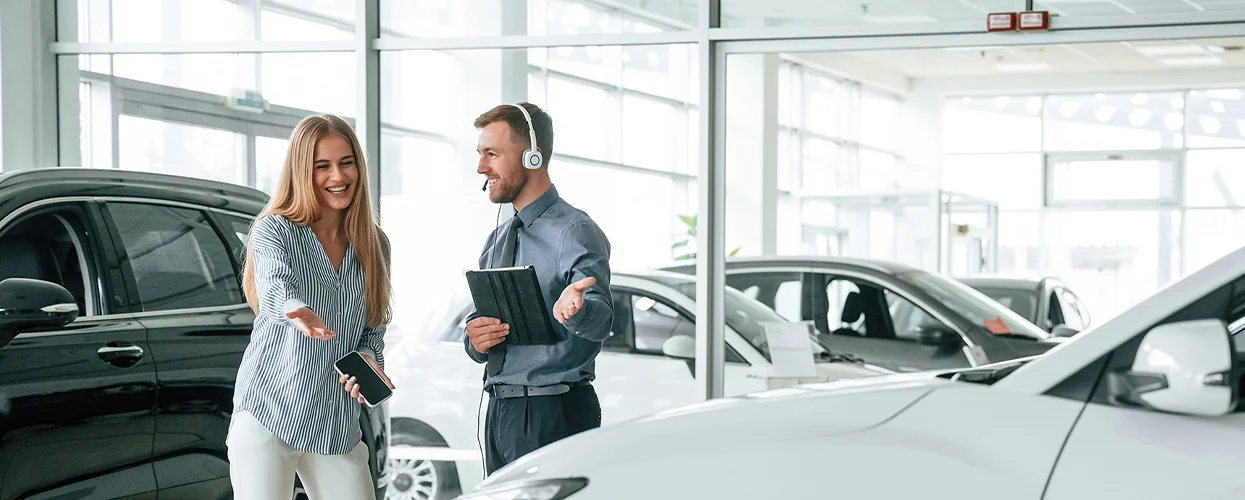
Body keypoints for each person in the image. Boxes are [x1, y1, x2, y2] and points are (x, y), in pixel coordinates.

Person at [231, 114, 395, 499]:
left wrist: (370, 359)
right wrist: (293, 309)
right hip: (269, 411)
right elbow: (272, 284)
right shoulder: (276, 228)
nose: (337, 176)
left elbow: (373, 326)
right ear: (303, 171)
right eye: (322, 166)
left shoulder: (375, 244)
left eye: (346, 162)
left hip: (335, 422)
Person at [465, 102, 613, 475]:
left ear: (533, 157)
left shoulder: (574, 231)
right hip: (502, 411)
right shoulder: (497, 238)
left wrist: (578, 310)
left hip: (552, 411)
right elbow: (479, 321)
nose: (481, 167)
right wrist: (474, 337)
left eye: (492, 154)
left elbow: (601, 318)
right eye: (480, 155)